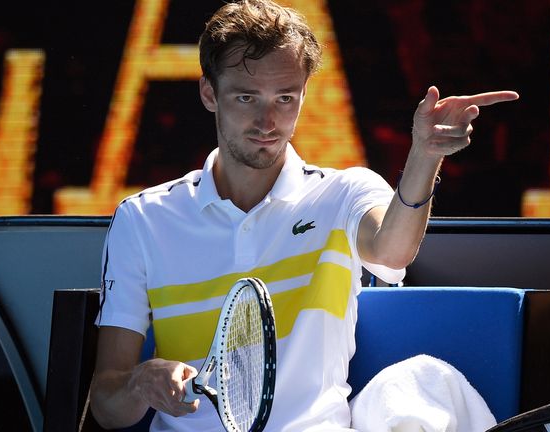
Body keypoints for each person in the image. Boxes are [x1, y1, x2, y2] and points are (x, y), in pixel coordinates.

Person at [89, 0, 519, 430]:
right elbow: (107, 406)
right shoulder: (142, 219)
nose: (267, 121)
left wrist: (424, 155)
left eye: (285, 98)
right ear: (209, 94)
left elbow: (391, 252)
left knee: (421, 384)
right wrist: (141, 383)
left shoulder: (345, 191)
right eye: (246, 97)